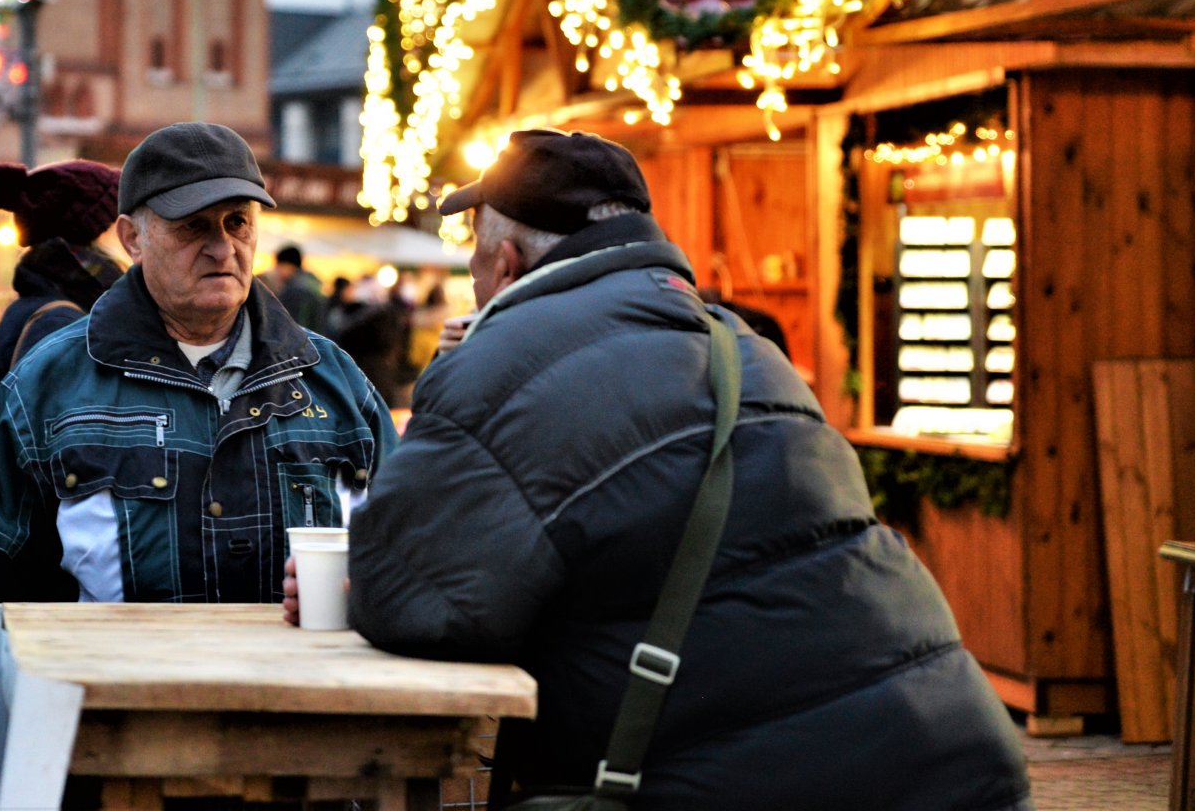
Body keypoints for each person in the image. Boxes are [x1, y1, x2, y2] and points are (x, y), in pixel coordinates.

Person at [337, 129, 1030, 811]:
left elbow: (409, 596)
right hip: (949, 753)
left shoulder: (499, 366)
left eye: (475, 267)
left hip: (748, 783)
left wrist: (343, 583)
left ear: (509, 264)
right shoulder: (745, 346)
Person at [0, 122, 397, 735]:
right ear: (132, 237)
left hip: (316, 759)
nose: (222, 247)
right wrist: (59, 746)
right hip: (118, 765)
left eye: (238, 222)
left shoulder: (334, 382)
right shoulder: (47, 387)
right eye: (192, 226)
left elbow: (417, 554)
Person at [0, 158, 126, 438]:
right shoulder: (59, 323)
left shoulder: (42, 308)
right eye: (119, 223)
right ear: (95, 235)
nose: (131, 237)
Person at [267, 244, 327, 330]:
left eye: (279, 266)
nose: (277, 270)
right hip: (317, 338)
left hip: (304, 339)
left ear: (288, 265)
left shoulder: (295, 290)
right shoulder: (312, 283)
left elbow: (293, 325)